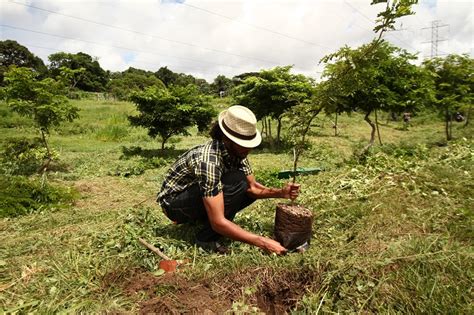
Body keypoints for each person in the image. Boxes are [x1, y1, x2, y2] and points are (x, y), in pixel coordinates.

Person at [157, 105, 300, 255]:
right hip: (173, 205)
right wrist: (262, 242)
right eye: (243, 144)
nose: (248, 149)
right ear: (227, 138)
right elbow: (218, 221)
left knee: (243, 185)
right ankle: (205, 240)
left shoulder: (237, 153)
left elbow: (253, 188)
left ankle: (204, 222)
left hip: (196, 196)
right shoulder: (209, 160)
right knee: (236, 181)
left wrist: (281, 192)